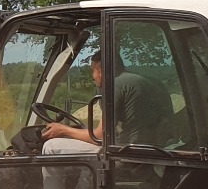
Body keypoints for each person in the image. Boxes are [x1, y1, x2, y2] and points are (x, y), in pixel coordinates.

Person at [41, 51, 175, 154]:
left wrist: (63, 130)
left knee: (50, 147)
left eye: (92, 70)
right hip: (158, 151)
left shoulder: (114, 86)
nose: (93, 76)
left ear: (100, 71)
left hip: (127, 153)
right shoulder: (152, 82)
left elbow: (100, 136)